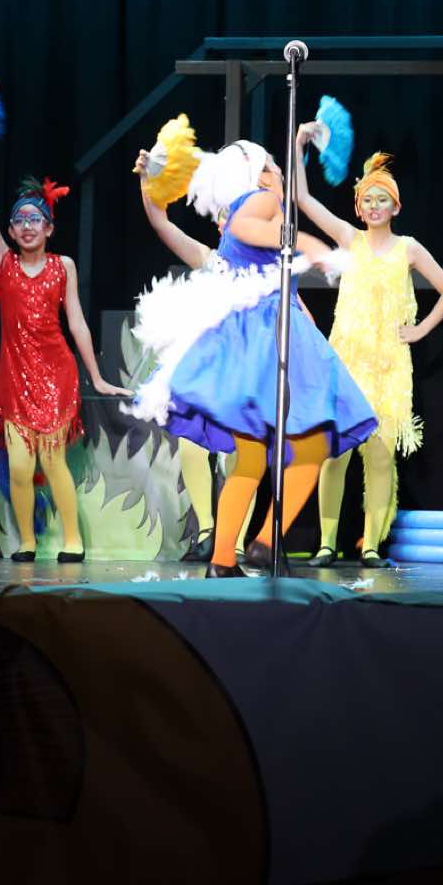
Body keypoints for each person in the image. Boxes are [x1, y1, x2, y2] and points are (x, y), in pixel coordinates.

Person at [127, 140, 377, 577]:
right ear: (259, 173)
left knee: (252, 457)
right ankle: (262, 543)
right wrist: (304, 243)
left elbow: (287, 294)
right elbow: (242, 227)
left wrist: (315, 341)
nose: (280, 172)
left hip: (265, 340)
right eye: (275, 166)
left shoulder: (261, 215)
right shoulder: (259, 203)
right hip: (264, 343)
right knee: (313, 446)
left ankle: (224, 559)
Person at [292, 132, 443, 568]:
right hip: (347, 362)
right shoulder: (350, 238)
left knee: (381, 456)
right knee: (335, 454)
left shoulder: (408, 248)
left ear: (395, 207)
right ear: (358, 207)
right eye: (368, 200)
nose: (374, 206)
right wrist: (298, 143)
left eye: (382, 200)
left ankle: (370, 545)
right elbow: (303, 199)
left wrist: (420, 330)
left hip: (389, 366)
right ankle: (327, 543)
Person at [0, 146, 129, 563]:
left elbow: (76, 323)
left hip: (56, 374)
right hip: (16, 378)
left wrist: (97, 377)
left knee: (52, 460)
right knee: (20, 467)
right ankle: (27, 540)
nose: (27, 226)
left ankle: (72, 540)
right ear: (10, 231)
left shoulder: (64, 267)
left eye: (35, 220)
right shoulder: (3, 264)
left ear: (49, 228)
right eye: (20, 220)